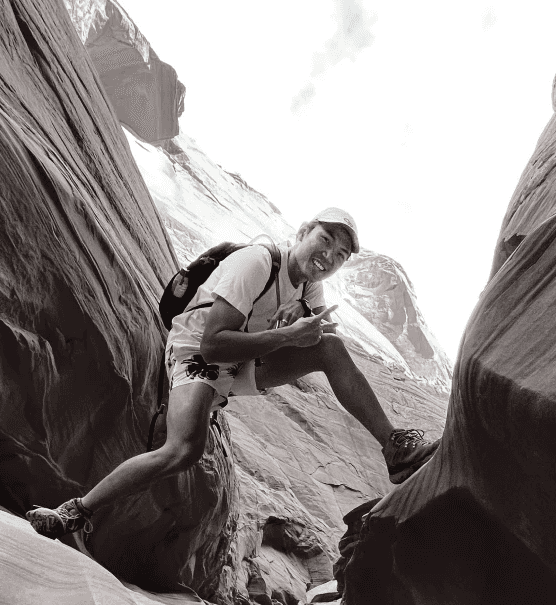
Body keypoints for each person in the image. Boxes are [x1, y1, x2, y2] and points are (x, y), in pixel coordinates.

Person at [26, 207, 439, 540]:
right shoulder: (255, 263)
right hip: (197, 352)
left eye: (340, 255)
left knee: (330, 348)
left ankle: (394, 447)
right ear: (303, 231)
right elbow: (213, 343)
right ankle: (75, 512)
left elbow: (307, 332)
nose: (328, 256)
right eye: (325, 240)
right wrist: (289, 337)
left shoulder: (309, 287)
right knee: (182, 450)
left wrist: (302, 326)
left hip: (242, 360)